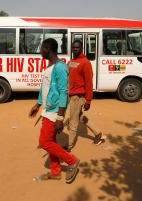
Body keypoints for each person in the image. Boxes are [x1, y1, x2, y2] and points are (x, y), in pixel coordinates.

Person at [29, 38, 80, 184]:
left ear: (47, 49)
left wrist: (60, 117)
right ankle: (56, 171)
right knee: (50, 140)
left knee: (45, 142)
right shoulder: (49, 66)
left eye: (41, 49)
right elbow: (44, 87)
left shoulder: (60, 67)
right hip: (47, 109)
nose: (40, 51)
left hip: (55, 112)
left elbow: (64, 92)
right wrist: (38, 105)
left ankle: (73, 161)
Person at [66, 40, 103, 151]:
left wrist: (88, 101)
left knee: (73, 121)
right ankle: (97, 133)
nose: (74, 49)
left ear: (81, 48)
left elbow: (89, 83)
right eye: (73, 47)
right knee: (79, 117)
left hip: (78, 96)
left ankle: (69, 145)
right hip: (71, 95)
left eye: (77, 47)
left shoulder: (85, 63)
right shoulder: (71, 62)